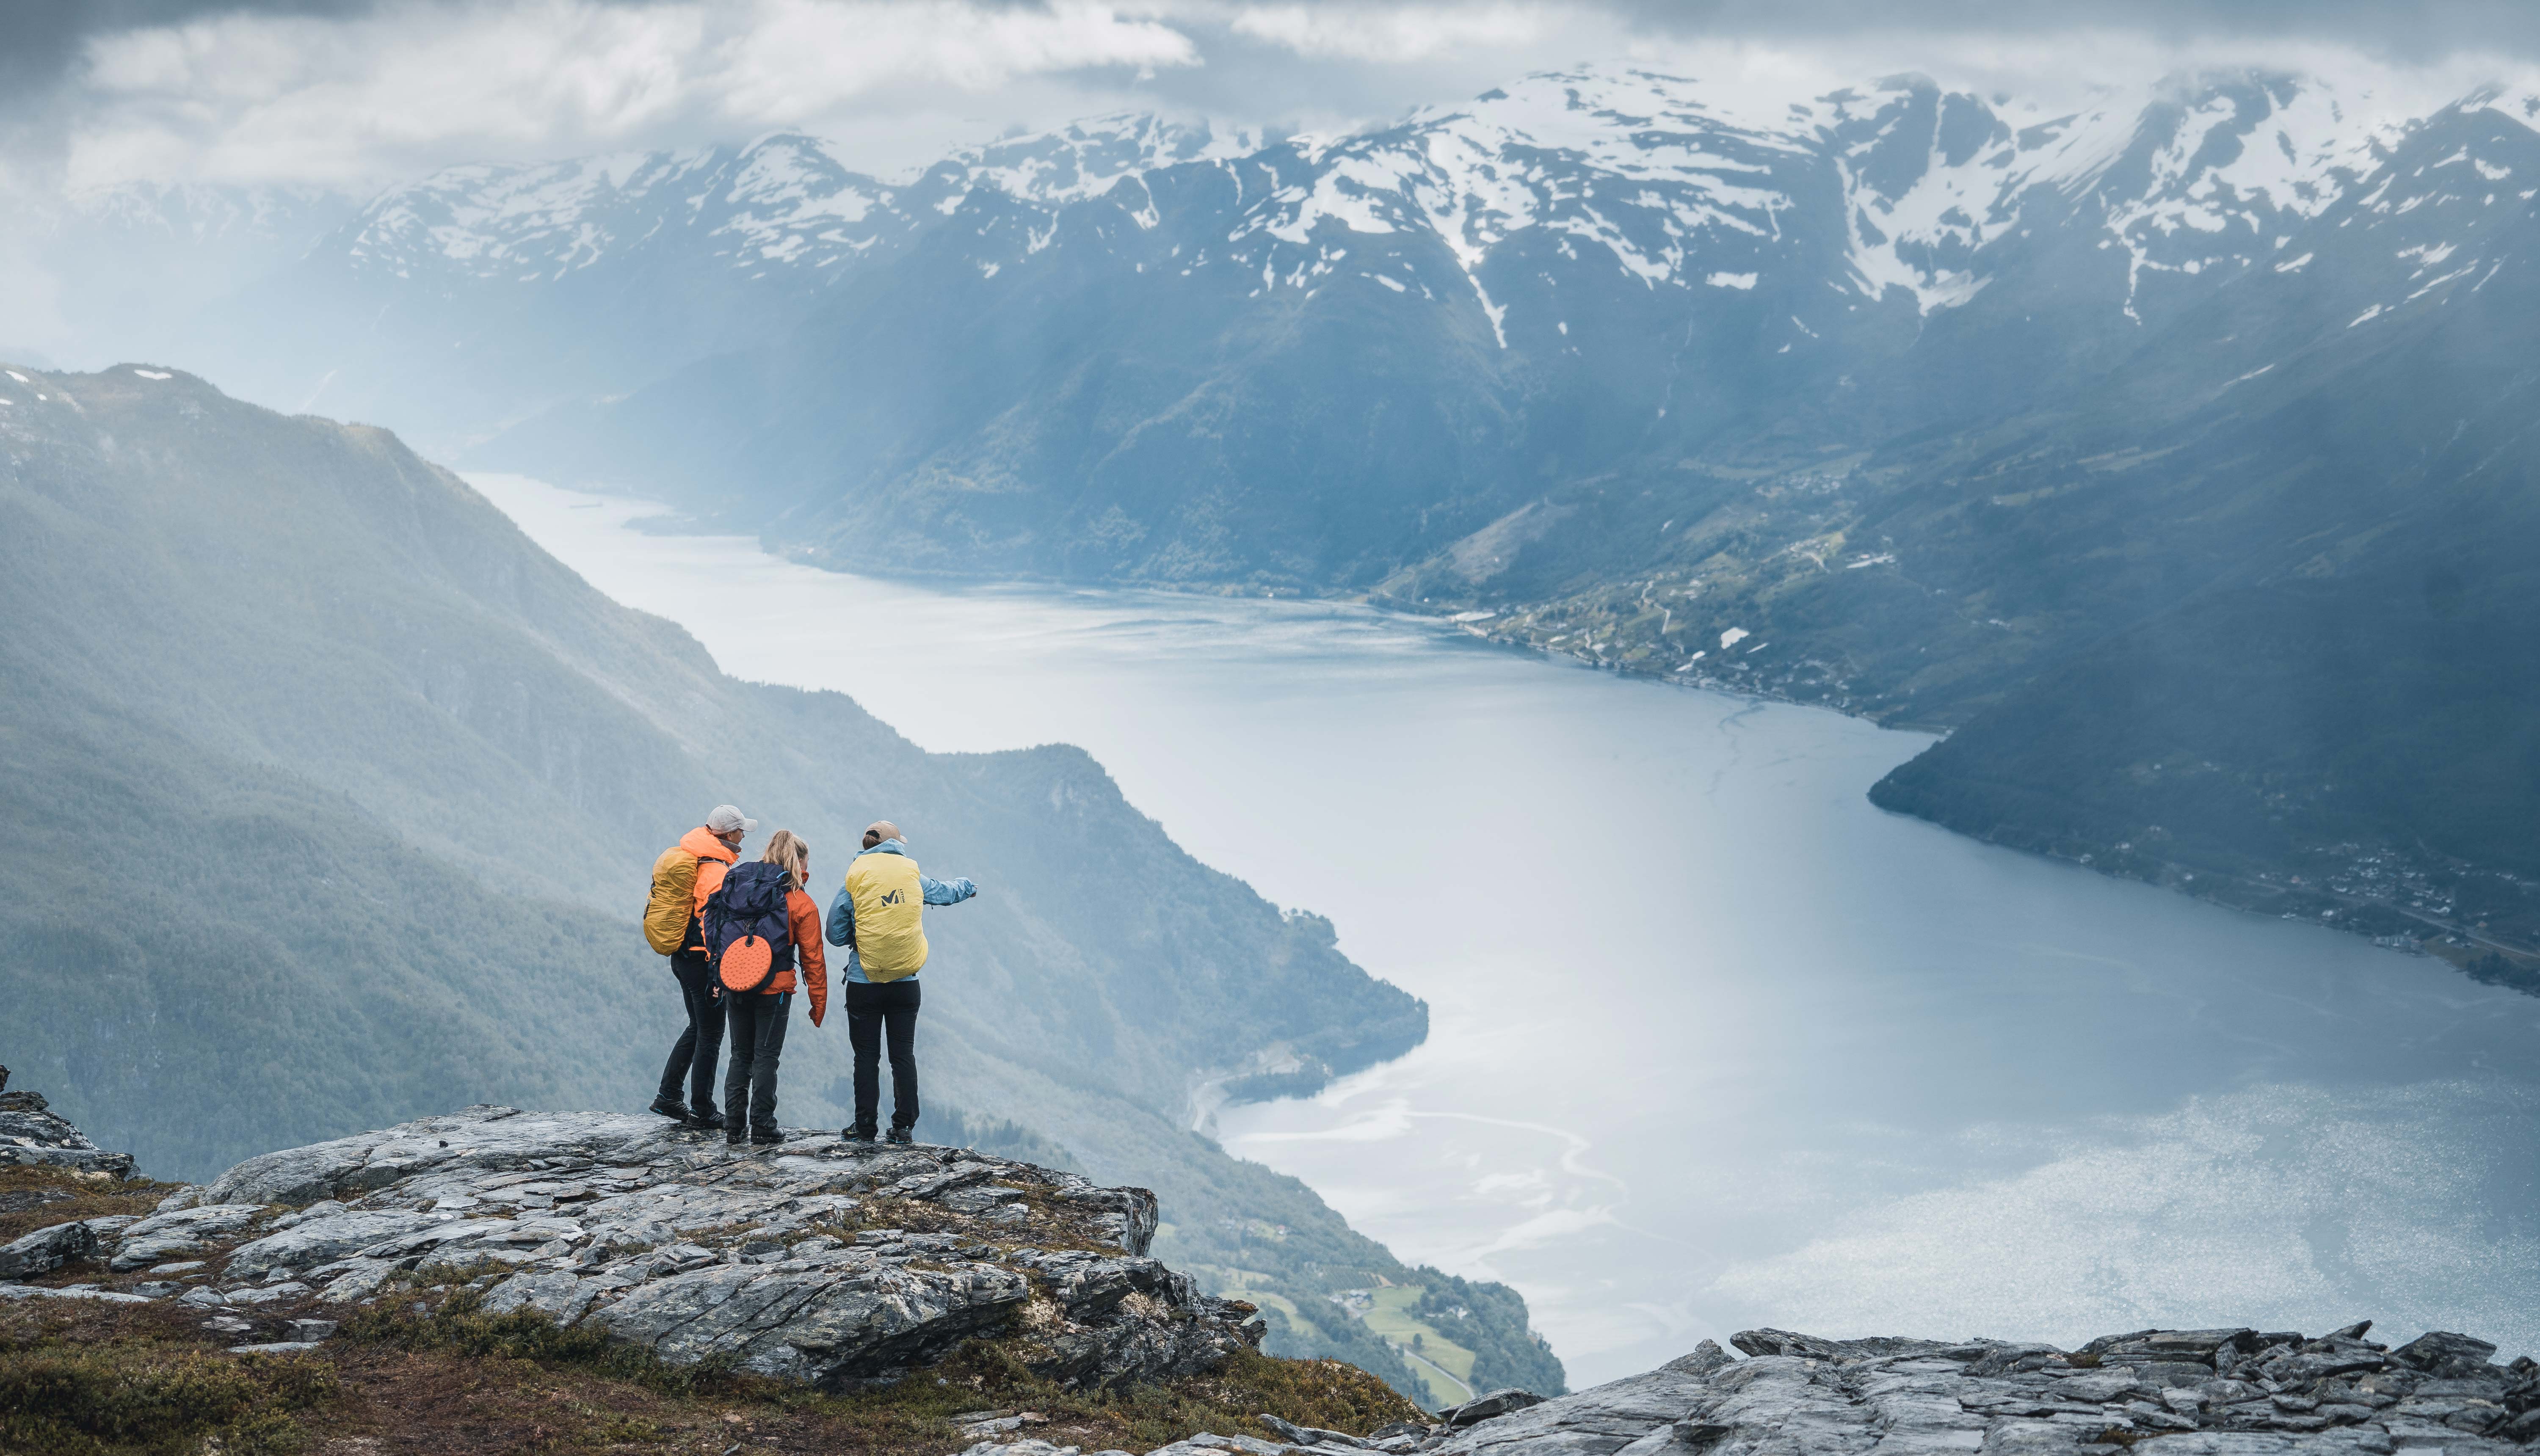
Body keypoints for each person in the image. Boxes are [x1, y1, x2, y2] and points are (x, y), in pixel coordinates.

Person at [825, 820, 976, 1143]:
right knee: (903, 1055)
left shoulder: (855, 877)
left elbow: (835, 933)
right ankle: (903, 1126)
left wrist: (862, 936)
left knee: (866, 1056)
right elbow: (945, 892)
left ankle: (864, 1126)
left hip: (863, 982)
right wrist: (968, 885)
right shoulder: (911, 875)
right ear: (896, 845)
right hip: (906, 984)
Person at [712, 830, 827, 1147]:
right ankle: (763, 1125)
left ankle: (734, 1126)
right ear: (800, 862)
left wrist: (717, 977)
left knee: (739, 1055)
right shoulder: (800, 902)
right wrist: (818, 1004)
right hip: (774, 990)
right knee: (765, 1057)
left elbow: (717, 929)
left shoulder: (740, 890)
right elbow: (813, 958)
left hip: (735, 982)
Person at [643, 804, 754, 1130]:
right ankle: (703, 1110)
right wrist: (718, 968)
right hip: (700, 959)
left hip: (682, 956)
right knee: (711, 1033)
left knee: (698, 1027)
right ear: (729, 834)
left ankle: (668, 1095)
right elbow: (711, 921)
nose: (744, 836)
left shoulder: (696, 854)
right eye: (741, 831)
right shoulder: (714, 869)